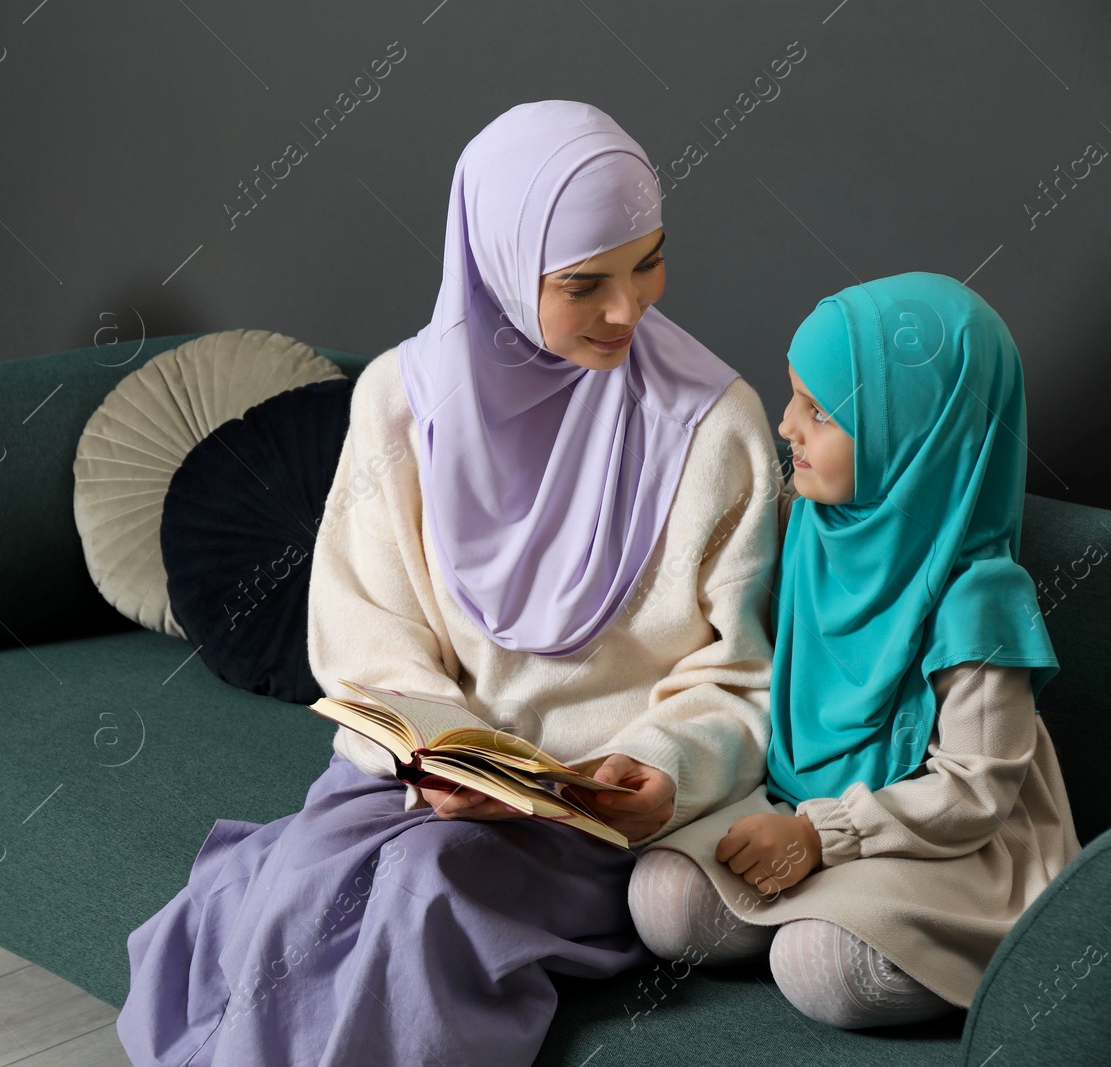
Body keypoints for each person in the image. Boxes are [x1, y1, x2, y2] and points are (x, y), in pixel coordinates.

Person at [117, 99, 784, 1067]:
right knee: (289, 888)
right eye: (584, 282)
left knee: (425, 892)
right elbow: (362, 629)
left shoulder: (715, 425)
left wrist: (663, 767)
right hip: (414, 788)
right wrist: (437, 757)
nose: (626, 309)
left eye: (649, 261)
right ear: (503, 268)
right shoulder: (404, 398)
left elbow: (744, 671)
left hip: (597, 821)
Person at [627, 271, 1082, 1030]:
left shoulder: (978, 595)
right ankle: (821, 908)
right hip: (797, 806)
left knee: (822, 966)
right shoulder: (806, 523)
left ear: (917, 434)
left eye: (819, 411)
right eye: (793, 395)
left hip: (940, 841)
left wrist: (820, 836)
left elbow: (974, 791)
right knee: (662, 899)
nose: (785, 425)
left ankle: (905, 942)